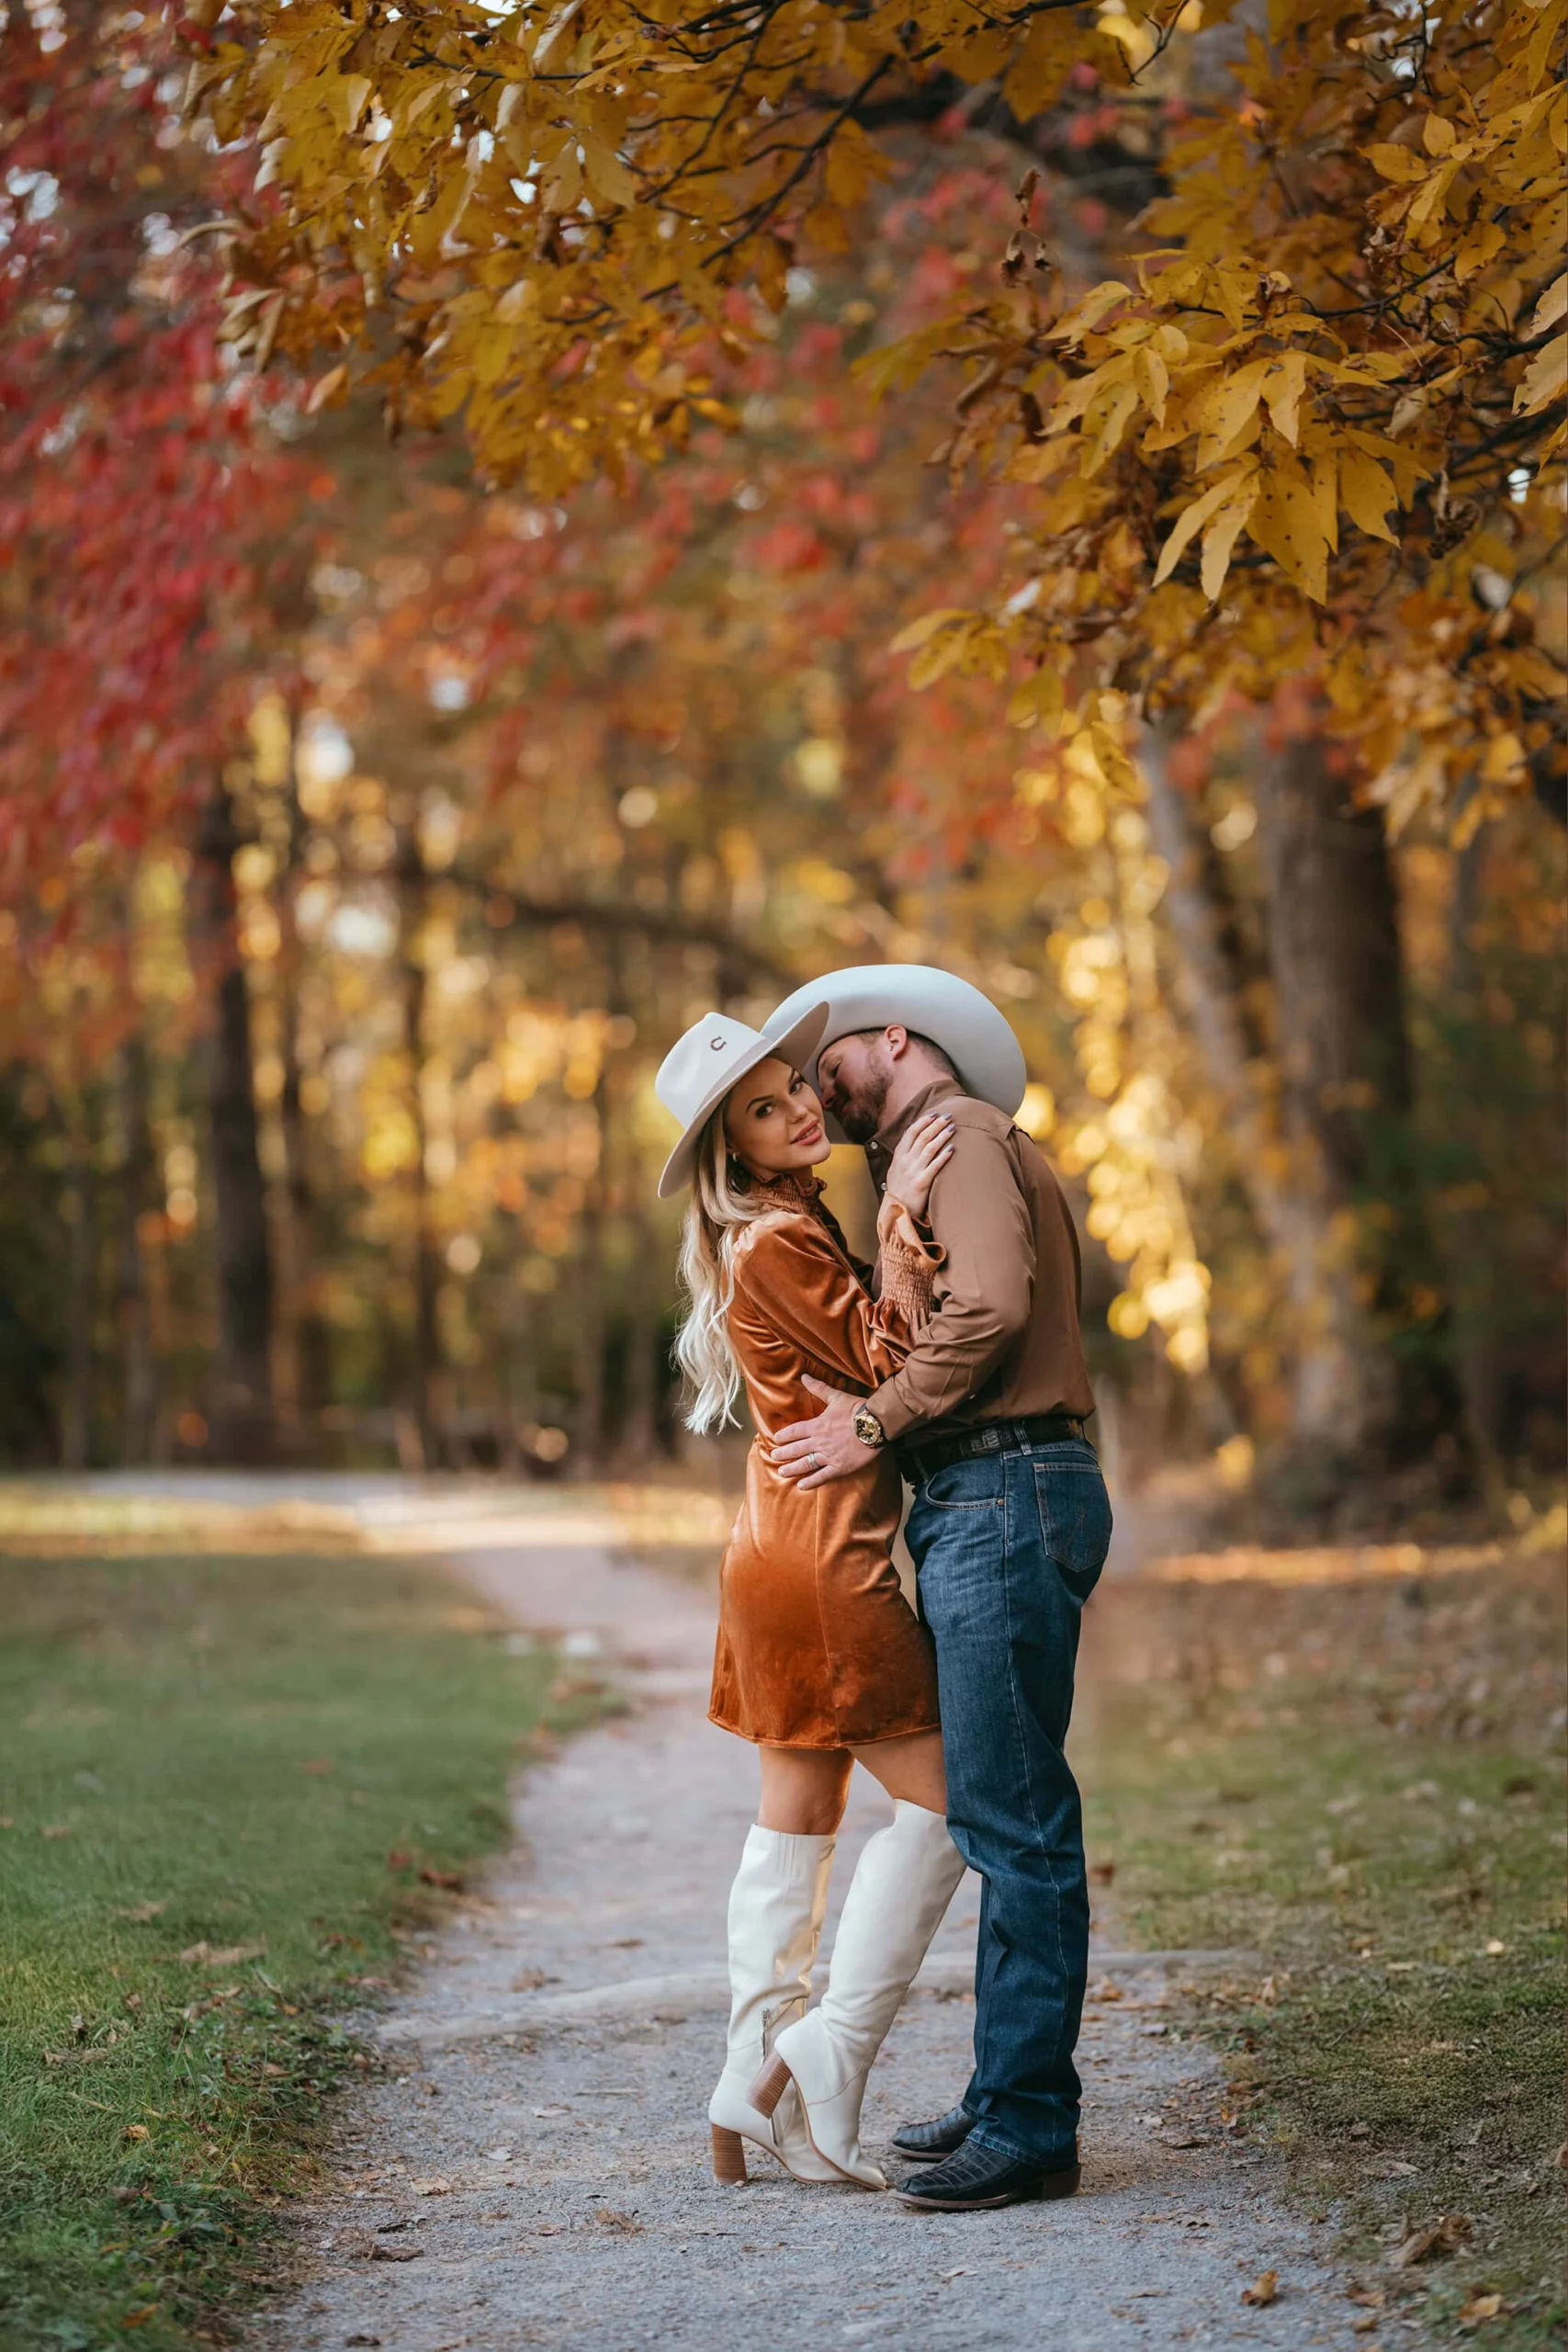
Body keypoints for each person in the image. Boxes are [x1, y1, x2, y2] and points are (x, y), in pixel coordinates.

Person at [761, 966, 1112, 2213]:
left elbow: (994, 1306)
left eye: (824, 1065)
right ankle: (1005, 2092)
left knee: (1015, 1824)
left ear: (892, 1038)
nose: (812, 1090)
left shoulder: (955, 1133)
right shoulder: (916, 1156)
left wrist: (875, 1420)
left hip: (1006, 1491)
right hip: (983, 1495)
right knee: (994, 1814)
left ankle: (1028, 2128)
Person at [652, 1003, 969, 2192]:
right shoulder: (778, 1243)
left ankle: (748, 2073)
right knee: (948, 1808)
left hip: (777, 1549)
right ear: (731, 1150)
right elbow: (892, 1365)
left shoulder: (778, 1228)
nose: (800, 1113)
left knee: (796, 1818)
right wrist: (899, 1229)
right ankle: (823, 2058)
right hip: (827, 1561)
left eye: (795, 1091)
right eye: (766, 1110)